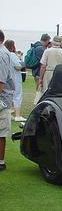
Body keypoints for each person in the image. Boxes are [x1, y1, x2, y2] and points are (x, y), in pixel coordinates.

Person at [0, 29, 15, 171]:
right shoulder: (5, 52)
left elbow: (1, 81)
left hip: (2, 98)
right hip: (5, 97)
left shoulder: (1, 54)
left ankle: (1, 162)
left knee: (1, 131)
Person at [4, 40, 25, 122]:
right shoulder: (12, 54)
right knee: (17, 96)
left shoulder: (4, 54)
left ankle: (9, 113)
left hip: (8, 78)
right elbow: (18, 66)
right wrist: (22, 61)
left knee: (10, 95)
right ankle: (17, 115)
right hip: (15, 78)